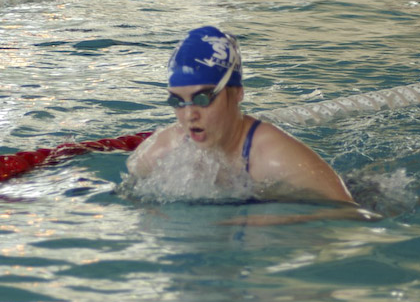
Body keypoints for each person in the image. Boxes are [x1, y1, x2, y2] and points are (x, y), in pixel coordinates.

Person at [127, 26, 380, 223]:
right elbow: (128, 197)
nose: (189, 115)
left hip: (363, 196)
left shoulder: (277, 158)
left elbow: (353, 215)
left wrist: (274, 220)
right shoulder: (161, 150)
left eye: (203, 99)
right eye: (177, 102)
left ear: (237, 93)